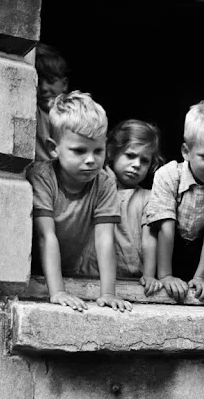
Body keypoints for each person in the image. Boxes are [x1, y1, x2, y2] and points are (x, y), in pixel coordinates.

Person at [26, 91, 132, 312]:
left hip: (72, 268)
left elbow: (105, 239)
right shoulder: (43, 177)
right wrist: (57, 292)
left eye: (98, 150)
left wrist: (108, 293)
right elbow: (46, 236)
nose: (91, 160)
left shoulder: (104, 182)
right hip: (34, 271)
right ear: (54, 148)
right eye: (79, 151)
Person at [145, 99, 204, 303]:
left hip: (200, 251)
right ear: (186, 152)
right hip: (166, 246)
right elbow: (165, 228)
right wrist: (165, 275)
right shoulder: (168, 175)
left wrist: (201, 277)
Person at [77, 119, 164, 295]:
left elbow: (149, 239)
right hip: (89, 277)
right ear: (112, 152)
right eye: (130, 155)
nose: (137, 165)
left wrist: (149, 275)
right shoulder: (94, 185)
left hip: (132, 280)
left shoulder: (147, 197)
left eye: (145, 160)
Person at [34, 44, 69, 162]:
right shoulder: (31, 111)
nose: (43, 88)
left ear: (64, 84)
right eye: (37, 81)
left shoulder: (75, 115)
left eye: (50, 81)